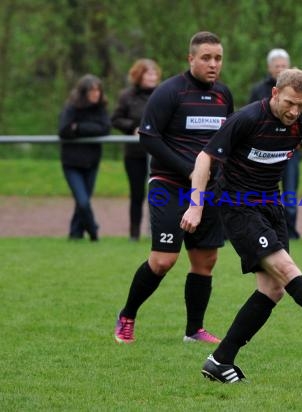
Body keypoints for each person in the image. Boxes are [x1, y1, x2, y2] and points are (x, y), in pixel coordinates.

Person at [180, 68, 302, 383]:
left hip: (272, 207)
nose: (295, 111)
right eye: (290, 103)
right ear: (274, 94)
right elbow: (204, 159)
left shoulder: (300, 122)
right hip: (238, 206)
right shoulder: (247, 119)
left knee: (272, 289)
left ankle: (219, 361)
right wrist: (196, 205)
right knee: (287, 269)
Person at [113, 31, 234, 345]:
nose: (213, 64)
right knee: (164, 260)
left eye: (218, 58)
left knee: (205, 261)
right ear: (190, 58)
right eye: (206, 57)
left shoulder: (223, 95)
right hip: (170, 186)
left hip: (210, 190)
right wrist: (190, 170)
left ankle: (194, 330)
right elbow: (148, 137)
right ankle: (127, 315)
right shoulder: (169, 92)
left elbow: (228, 140)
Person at [249, 48, 302, 240]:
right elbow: (251, 117)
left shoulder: (300, 92)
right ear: (270, 68)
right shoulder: (259, 90)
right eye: (276, 66)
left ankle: (290, 231)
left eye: (283, 66)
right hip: (263, 153)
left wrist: (298, 143)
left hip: (290, 153)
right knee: (261, 193)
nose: (279, 69)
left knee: (290, 193)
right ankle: (263, 230)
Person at [111, 59, 162, 241]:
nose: (152, 77)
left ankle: (159, 232)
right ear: (139, 75)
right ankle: (134, 234)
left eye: (154, 73)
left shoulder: (163, 94)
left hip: (159, 154)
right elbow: (115, 119)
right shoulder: (127, 96)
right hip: (135, 153)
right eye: (148, 73)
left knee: (159, 193)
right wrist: (133, 126)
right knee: (137, 194)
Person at [58, 74, 111, 241]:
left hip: (92, 162)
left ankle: (75, 234)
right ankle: (94, 231)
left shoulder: (100, 109)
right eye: (92, 90)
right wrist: (89, 128)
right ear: (83, 92)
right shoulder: (71, 108)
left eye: (98, 90)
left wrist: (78, 128)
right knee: (82, 201)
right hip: (72, 163)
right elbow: (64, 130)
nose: (96, 94)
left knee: (83, 202)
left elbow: (105, 128)